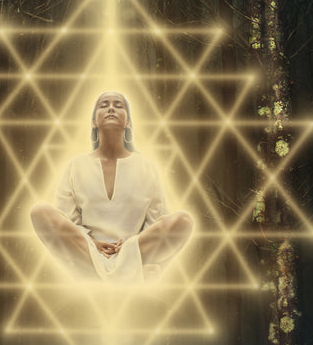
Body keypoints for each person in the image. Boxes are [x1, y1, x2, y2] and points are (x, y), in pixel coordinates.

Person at [29, 90, 193, 283]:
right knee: (39, 211)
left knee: (184, 221)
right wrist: (93, 243)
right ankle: (123, 274)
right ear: (94, 122)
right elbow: (67, 220)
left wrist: (129, 248)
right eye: (104, 105)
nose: (111, 109)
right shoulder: (76, 165)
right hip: (88, 251)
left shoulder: (145, 166)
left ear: (128, 122)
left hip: (134, 250)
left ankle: (98, 275)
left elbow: (157, 220)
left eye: (118, 105)